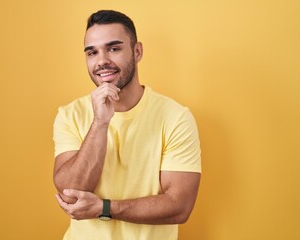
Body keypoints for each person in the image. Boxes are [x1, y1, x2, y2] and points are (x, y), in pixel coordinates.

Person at [53, 10, 201, 240]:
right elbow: (70, 194)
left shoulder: (175, 117)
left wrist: (104, 208)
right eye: (92, 52)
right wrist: (100, 123)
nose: (102, 60)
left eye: (113, 48)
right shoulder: (70, 114)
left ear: (137, 51)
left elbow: (180, 205)